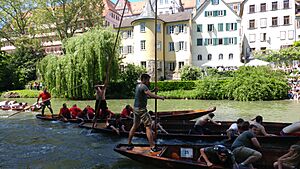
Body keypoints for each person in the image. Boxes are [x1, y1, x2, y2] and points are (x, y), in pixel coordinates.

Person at [127, 73, 165, 152]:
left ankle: (129, 144)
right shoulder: (144, 86)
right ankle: (152, 147)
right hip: (141, 110)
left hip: (136, 109)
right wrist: (160, 97)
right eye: (148, 80)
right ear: (144, 79)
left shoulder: (138, 86)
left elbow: (146, 94)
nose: (149, 81)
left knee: (135, 125)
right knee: (148, 126)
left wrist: (153, 90)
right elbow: (149, 95)